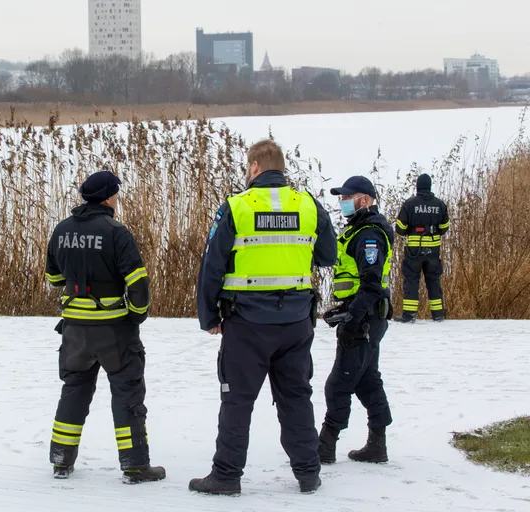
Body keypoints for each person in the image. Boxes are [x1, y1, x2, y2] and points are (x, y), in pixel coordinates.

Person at [189, 139, 337, 495]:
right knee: (296, 396)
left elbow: (212, 266)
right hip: (296, 322)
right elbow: (329, 254)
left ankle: (226, 475)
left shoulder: (236, 207)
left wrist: (208, 316)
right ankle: (308, 472)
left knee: (237, 399)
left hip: (246, 323)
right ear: (281, 168)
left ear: (255, 167)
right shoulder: (308, 205)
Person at [44, 170, 165, 484]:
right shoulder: (116, 232)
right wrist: (136, 315)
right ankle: (136, 466)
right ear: (110, 197)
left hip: (74, 329)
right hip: (113, 330)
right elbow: (137, 283)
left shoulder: (61, 230)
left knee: (74, 391)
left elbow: (54, 279)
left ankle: (61, 460)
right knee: (127, 394)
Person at [318, 176, 394, 465]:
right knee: (366, 380)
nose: (342, 202)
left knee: (339, 383)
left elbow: (371, 283)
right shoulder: (359, 231)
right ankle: (378, 444)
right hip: (368, 315)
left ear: (365, 199)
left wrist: (353, 319)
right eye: (341, 198)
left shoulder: (369, 235)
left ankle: (325, 445)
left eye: (347, 197)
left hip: (364, 318)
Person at [393, 173, 450, 323]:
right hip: (433, 251)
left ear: (417, 186)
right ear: (430, 186)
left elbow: (400, 228)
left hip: (413, 251)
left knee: (411, 280)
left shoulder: (410, 204)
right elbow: (444, 227)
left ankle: (409, 316)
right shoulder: (440, 204)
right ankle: (438, 315)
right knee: (434, 281)